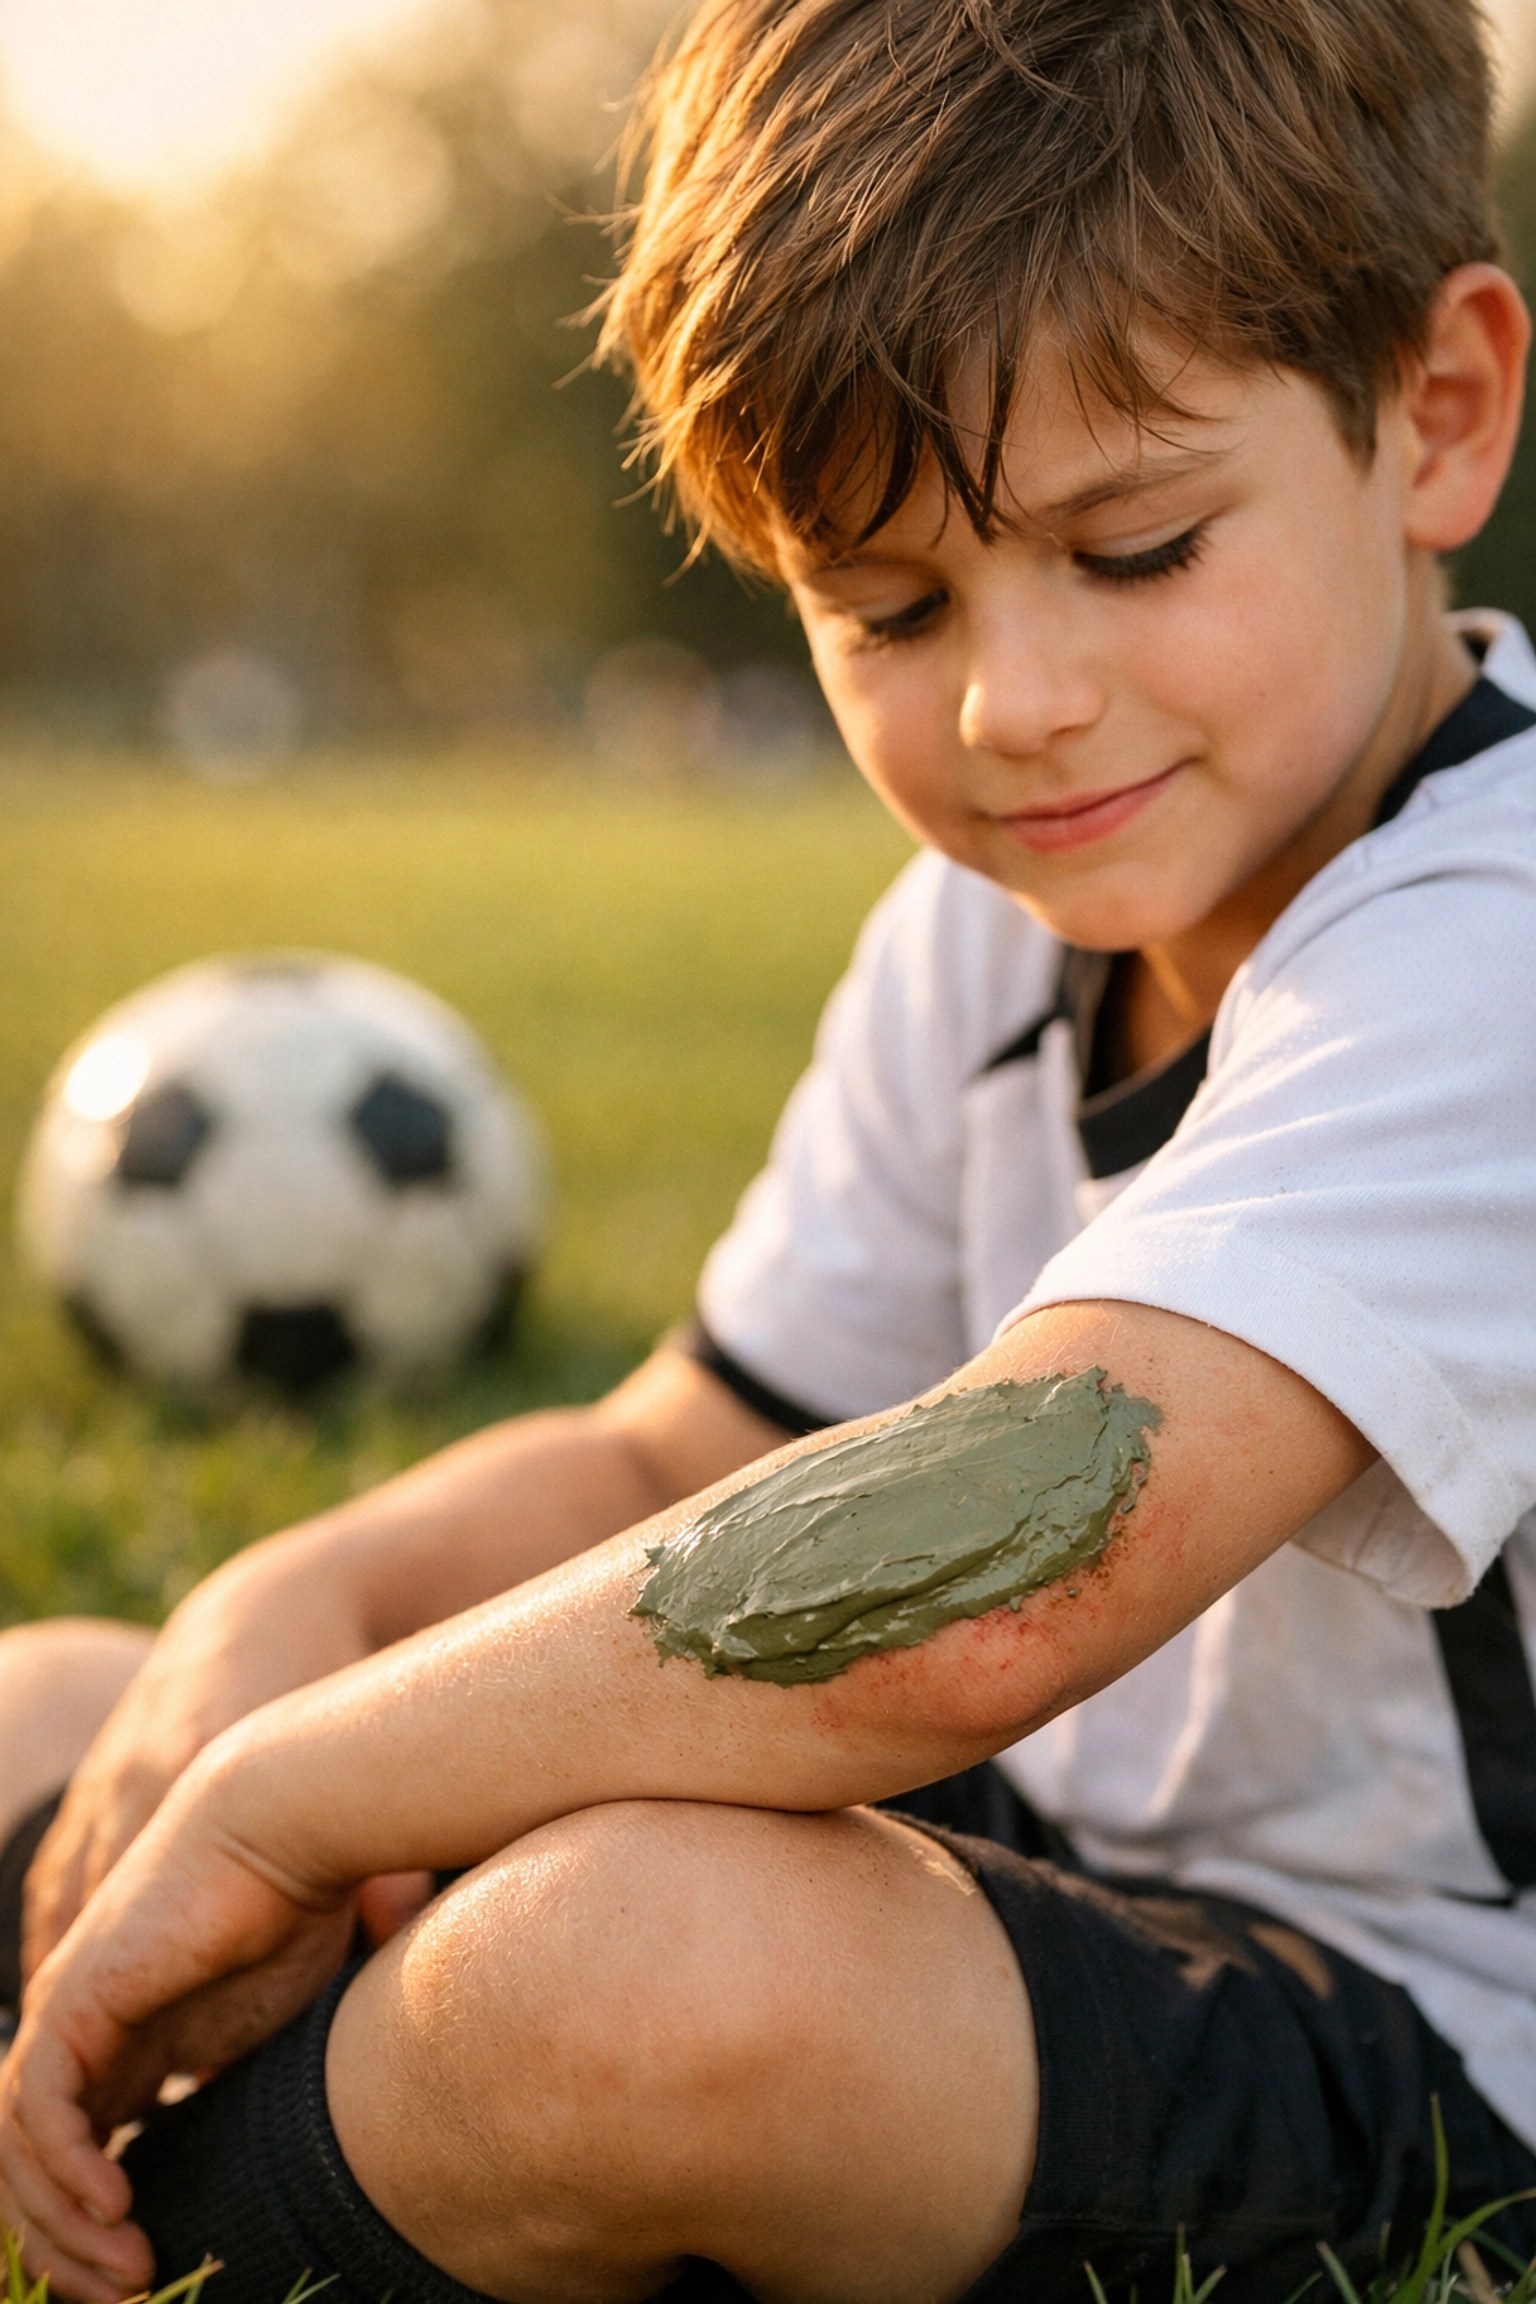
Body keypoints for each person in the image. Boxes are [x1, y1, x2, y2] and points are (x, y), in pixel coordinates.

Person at [5, 0, 1536, 2296]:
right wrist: (291, 1615)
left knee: (623, 1980)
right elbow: (683, 1452)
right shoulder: (997, 915)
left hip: (1426, 2020)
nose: (1017, 706)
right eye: (890, 607)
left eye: (1135, 549)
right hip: (1061, 1850)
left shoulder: (1495, 941)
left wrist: (298, 1792)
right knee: (53, 1697)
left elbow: (996, 1555)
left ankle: (158, 2194)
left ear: (1437, 416)